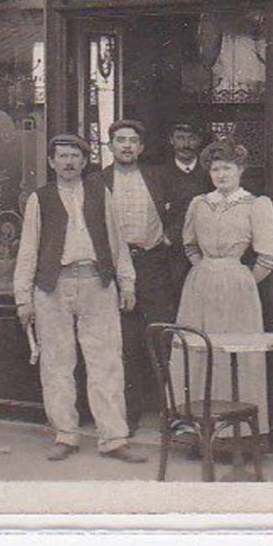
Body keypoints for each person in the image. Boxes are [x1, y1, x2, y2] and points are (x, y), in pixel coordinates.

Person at [13, 134, 148, 463]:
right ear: (51, 162)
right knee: (57, 363)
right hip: (52, 285)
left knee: (106, 361)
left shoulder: (100, 193)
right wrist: (23, 297)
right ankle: (65, 435)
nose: (69, 162)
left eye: (75, 157)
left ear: (85, 162)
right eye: (62, 157)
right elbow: (28, 249)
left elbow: (117, 241)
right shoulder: (39, 199)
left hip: (96, 283)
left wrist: (127, 282)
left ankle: (113, 438)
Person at [176, 138, 273, 432]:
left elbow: (269, 254)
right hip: (199, 286)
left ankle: (236, 429)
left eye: (227, 168)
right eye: (215, 169)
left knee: (235, 353)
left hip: (238, 288)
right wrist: (205, 269)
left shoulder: (256, 205)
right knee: (199, 350)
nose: (221, 175)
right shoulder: (199, 204)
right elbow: (189, 245)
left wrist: (243, 278)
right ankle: (197, 425)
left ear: (240, 170)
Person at [85, 119, 179, 432]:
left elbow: (183, 210)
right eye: (120, 140)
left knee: (161, 337)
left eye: (133, 141)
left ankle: (172, 413)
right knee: (123, 343)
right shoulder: (96, 182)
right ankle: (128, 415)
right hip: (113, 271)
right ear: (110, 146)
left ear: (141, 147)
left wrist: (169, 236)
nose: (126, 145)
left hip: (153, 266)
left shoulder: (158, 176)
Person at [164, 120, 210, 294]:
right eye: (180, 138)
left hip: (205, 247)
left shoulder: (210, 173)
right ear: (171, 140)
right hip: (171, 252)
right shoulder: (160, 174)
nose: (186, 144)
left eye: (191, 139)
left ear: (199, 141)